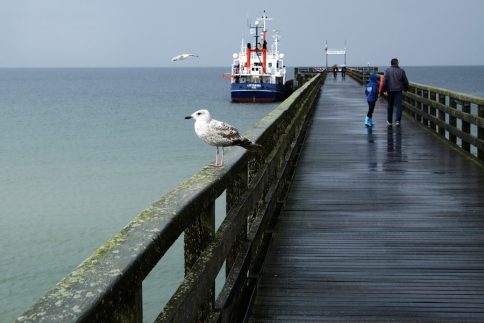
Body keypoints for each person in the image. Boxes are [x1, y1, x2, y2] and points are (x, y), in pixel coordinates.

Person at [382, 58, 409, 126]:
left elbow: (384, 82)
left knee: (390, 106)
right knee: (399, 106)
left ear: (391, 63)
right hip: (398, 91)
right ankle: (397, 120)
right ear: (397, 63)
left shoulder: (387, 71)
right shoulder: (401, 71)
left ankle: (389, 121)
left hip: (390, 90)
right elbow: (406, 81)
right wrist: (406, 89)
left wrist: (384, 90)